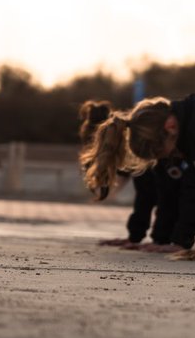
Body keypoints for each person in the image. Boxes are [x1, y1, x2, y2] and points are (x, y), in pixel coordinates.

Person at [80, 93, 195, 252]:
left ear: (171, 126)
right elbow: (192, 189)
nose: (174, 157)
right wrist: (174, 241)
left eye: (170, 153)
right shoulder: (188, 131)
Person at [78, 99, 182, 248]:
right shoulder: (140, 140)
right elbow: (146, 196)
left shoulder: (148, 146)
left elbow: (164, 197)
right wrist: (135, 237)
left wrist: (162, 240)